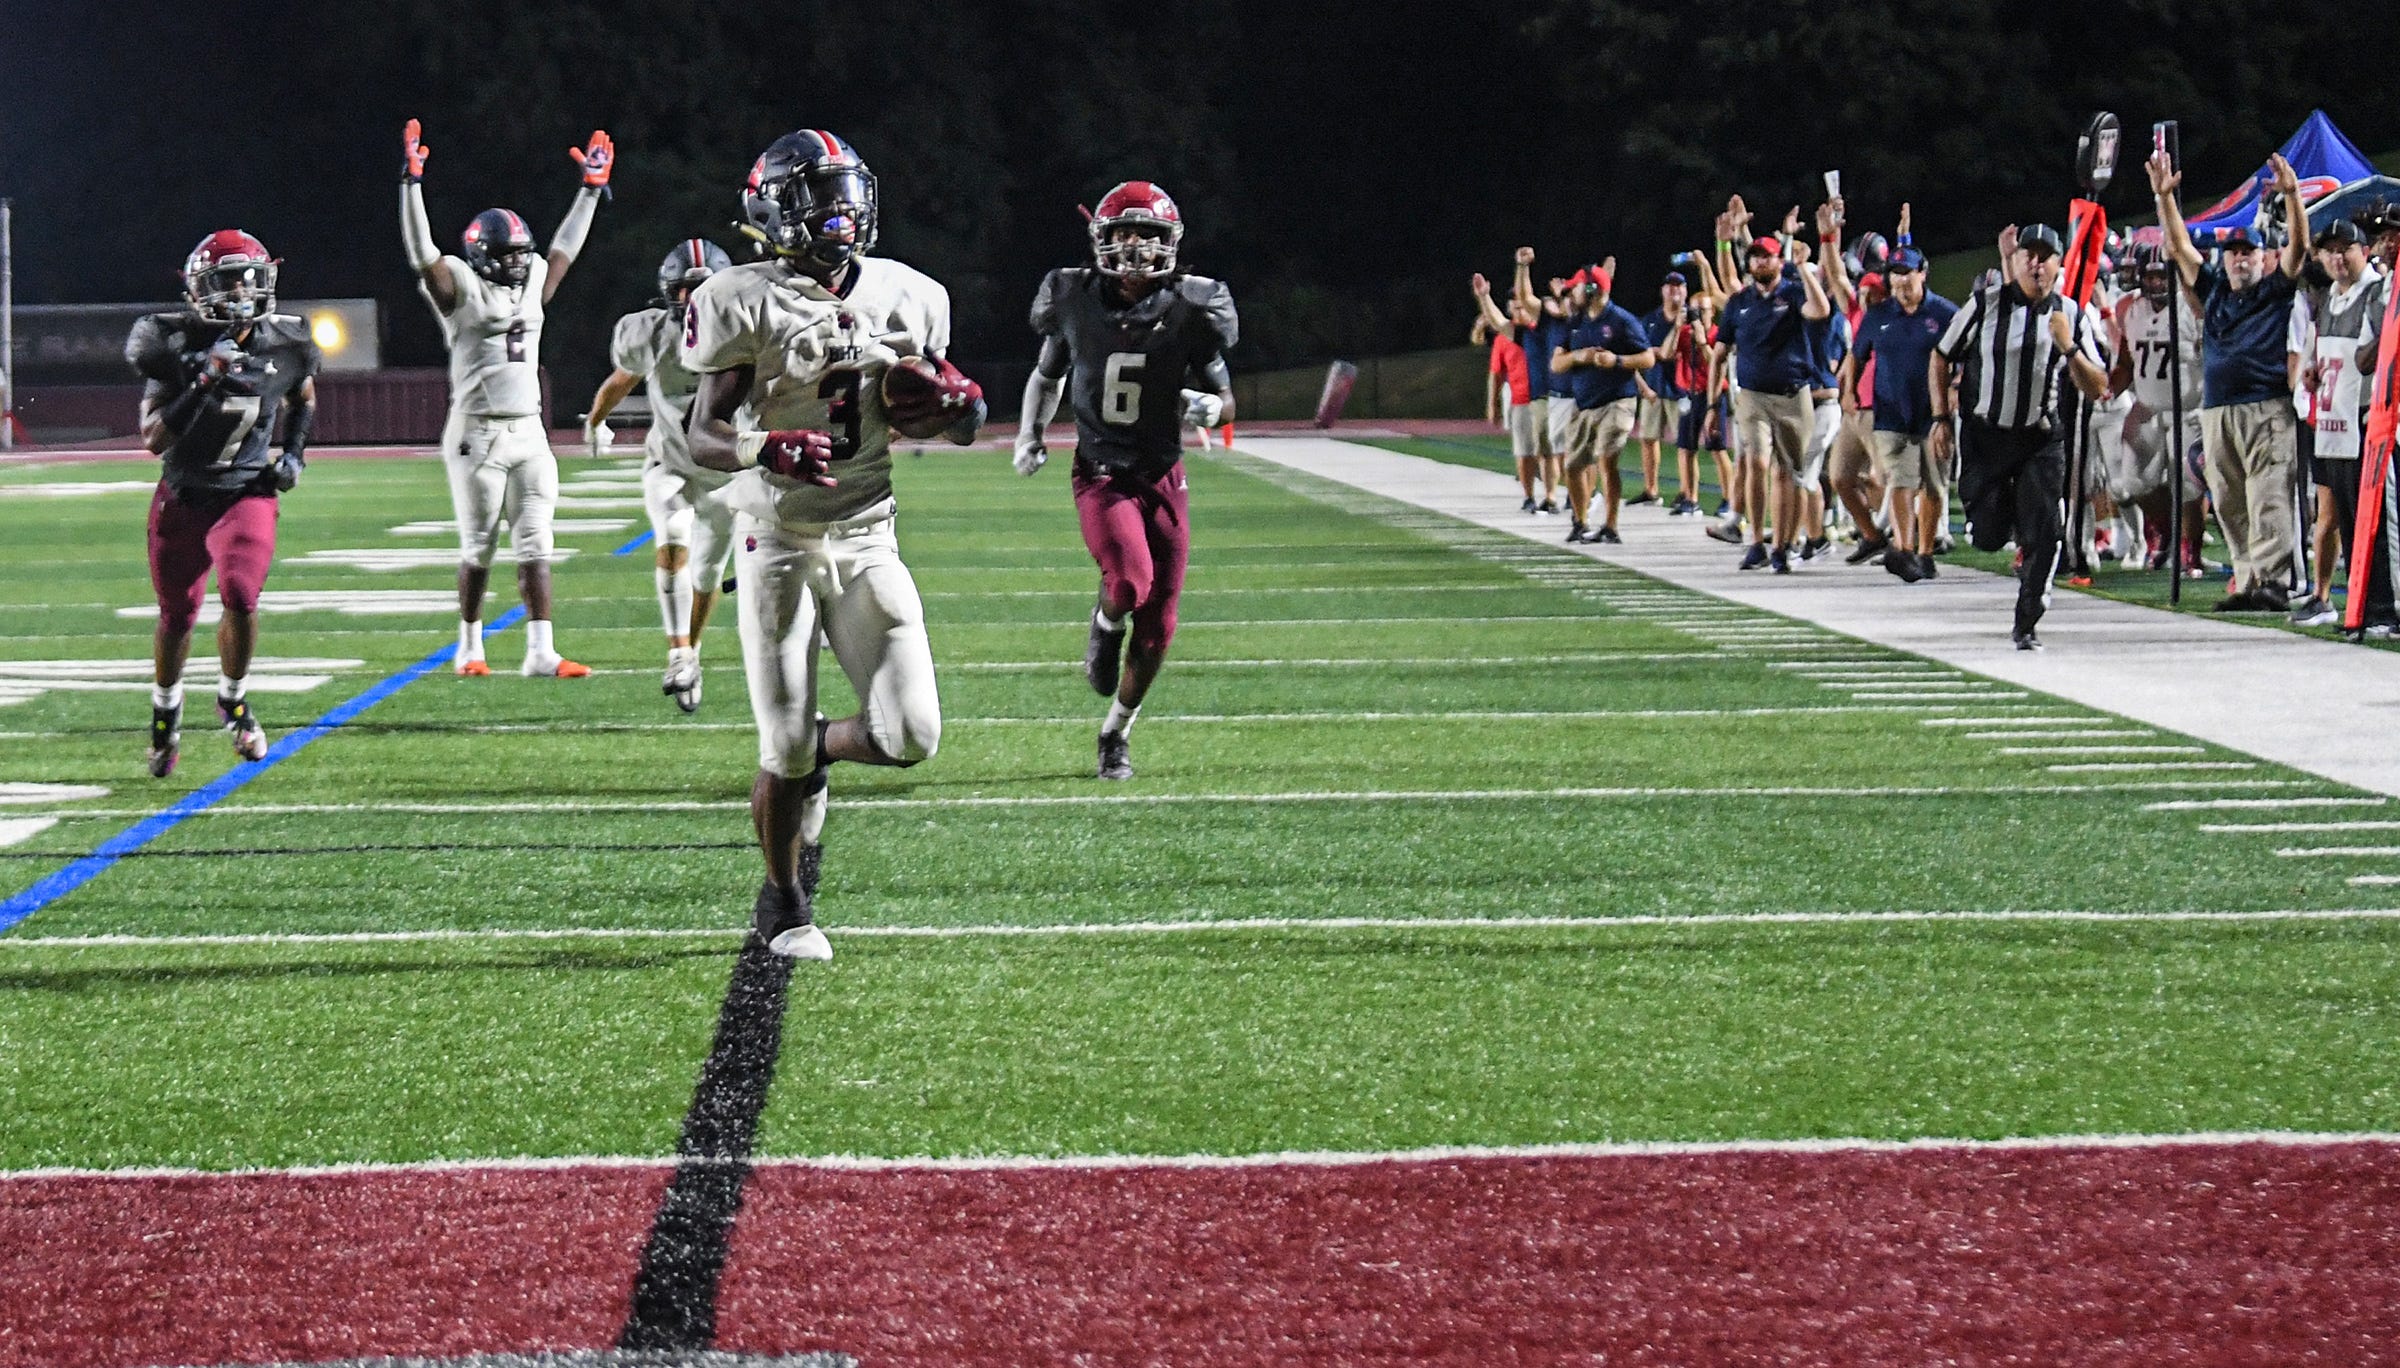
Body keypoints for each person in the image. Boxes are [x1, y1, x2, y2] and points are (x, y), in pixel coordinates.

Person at [684, 128, 986, 960]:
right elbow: (701, 434)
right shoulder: (738, 297)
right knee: (774, 744)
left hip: (867, 531)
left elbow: (953, 422)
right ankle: (782, 902)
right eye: (819, 197)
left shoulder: (911, 295)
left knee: (911, 735)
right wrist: (761, 447)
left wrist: (962, 409)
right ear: (772, 211)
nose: (839, 214)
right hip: (776, 536)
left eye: (847, 193)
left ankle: (819, 748)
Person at [1015, 181, 1238, 780]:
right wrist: (1029, 434)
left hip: (1164, 475)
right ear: (1101, 240)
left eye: (1148, 235)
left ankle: (1116, 732)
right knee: (1130, 580)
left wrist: (1214, 410)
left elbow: (1226, 396)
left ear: (1171, 243)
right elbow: (1047, 375)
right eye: (1123, 234)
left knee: (1161, 624)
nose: (1136, 248)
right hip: (1103, 473)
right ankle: (1104, 621)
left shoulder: (1193, 306)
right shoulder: (1074, 298)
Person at [400, 117, 610, 677]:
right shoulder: (461, 289)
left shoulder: (535, 274)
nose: (519, 262)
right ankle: (469, 647)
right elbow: (422, 253)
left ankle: (541, 651)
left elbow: (565, 248)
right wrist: (411, 184)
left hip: (529, 429)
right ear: (482, 254)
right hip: (477, 431)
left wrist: (589, 192)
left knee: (538, 541)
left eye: (521, 252)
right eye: (508, 253)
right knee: (479, 546)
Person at [124, 232, 321, 777]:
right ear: (197, 289)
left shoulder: (287, 341)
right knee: (177, 615)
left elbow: (302, 395)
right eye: (225, 279)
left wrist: (296, 454)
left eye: (247, 278)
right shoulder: (167, 340)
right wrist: (204, 379)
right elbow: (154, 438)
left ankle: (233, 701)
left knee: (240, 592)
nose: (237, 290)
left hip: (245, 489)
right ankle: (165, 717)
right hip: (184, 493)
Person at [1931, 223, 2111, 648]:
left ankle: (2027, 620)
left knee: (2046, 531)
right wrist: (1940, 418)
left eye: (2044, 255)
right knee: (1988, 533)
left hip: (2040, 437)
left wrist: (2069, 348)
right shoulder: (1984, 306)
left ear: (2057, 264)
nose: (2036, 263)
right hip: (1986, 436)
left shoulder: (2070, 313)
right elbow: (1941, 357)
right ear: (2014, 260)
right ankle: (2011, 515)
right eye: (2028, 254)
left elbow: (2098, 385)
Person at [2150, 149, 2311, 612]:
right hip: (2218, 407)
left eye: (2248, 252)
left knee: (2269, 496)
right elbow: (2179, 248)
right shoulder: (2216, 290)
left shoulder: (2275, 290)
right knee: (2229, 500)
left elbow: (2298, 250)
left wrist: (2292, 195)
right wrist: (2165, 200)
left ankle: (2275, 582)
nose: (2240, 260)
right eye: (2234, 252)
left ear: (2263, 257)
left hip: (2266, 405)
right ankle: (2248, 579)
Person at [586, 239, 738, 711]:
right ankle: (676, 651)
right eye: (683, 289)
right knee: (672, 533)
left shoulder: (744, 331)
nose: (691, 300)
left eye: (702, 289)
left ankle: (689, 653)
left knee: (709, 574)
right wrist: (595, 421)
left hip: (727, 475)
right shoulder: (650, 334)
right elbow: (621, 380)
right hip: (670, 464)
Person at [1709, 231, 1830, 572]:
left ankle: (1781, 545)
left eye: (1768, 256)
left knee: (1787, 473)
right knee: (1758, 461)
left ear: (1780, 261)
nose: (1761, 261)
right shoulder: (1739, 301)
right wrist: (1709, 402)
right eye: (1756, 256)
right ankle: (1755, 542)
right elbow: (1721, 349)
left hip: (1794, 394)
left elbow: (1820, 310)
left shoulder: (1792, 293)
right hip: (1753, 394)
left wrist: (1805, 268)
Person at [2296, 218, 2395, 632]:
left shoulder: (2375, 291)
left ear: (2363, 251)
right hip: (2336, 423)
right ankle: (2361, 606)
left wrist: (2364, 357)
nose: (2338, 258)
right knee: (2350, 523)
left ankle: (2384, 608)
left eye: (2346, 249)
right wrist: (2313, 374)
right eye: (2330, 250)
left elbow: (2379, 349)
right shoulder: (2329, 298)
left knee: (2375, 521)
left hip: (2366, 419)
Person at [1850, 243, 1958, 582]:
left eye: (1906, 273)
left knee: (1934, 487)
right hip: (1890, 411)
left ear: (1922, 273)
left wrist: (1954, 389)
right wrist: (1848, 392)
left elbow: (1967, 358)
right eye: (1894, 274)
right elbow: (1857, 355)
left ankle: (1926, 551)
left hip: (1933, 413)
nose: (1899, 282)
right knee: (1901, 479)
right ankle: (1906, 549)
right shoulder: (1879, 315)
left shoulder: (1944, 314)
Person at [2106, 251, 2208, 577]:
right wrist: (2109, 388)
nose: (2156, 282)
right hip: (2146, 407)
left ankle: (2189, 549)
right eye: (2150, 276)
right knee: (2133, 483)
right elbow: (2126, 362)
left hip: (2187, 408)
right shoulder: (2131, 311)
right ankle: (2164, 528)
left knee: (2189, 486)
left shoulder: (2191, 309)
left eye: (2162, 275)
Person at [1548, 264, 1657, 544]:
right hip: (1584, 404)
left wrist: (1617, 360)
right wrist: (1579, 357)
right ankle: (1581, 522)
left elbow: (1647, 358)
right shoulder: (1575, 322)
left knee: (1607, 459)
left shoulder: (1622, 320)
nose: (1571, 292)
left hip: (1617, 400)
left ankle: (1611, 526)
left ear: (1593, 289)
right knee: (1572, 466)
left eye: (1577, 287)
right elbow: (1556, 364)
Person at [1472, 272, 1542, 510]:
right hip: (1521, 397)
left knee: (1553, 451)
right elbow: (1497, 324)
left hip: (1546, 397)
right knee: (1524, 450)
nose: (1519, 310)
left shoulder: (1539, 330)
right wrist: (1484, 297)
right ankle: (1530, 495)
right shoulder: (1509, 336)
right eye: (1515, 306)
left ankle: (1554, 496)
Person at [1632, 271, 1691, 509]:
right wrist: (1644, 387)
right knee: (1648, 438)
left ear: (1685, 290)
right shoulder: (1651, 320)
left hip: (1681, 389)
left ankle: (1687, 492)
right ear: (1663, 290)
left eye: (1679, 286)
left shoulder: (1691, 320)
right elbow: (1639, 353)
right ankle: (1651, 489)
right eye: (1670, 286)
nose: (1674, 290)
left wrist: (1658, 352)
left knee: (1685, 445)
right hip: (1654, 387)